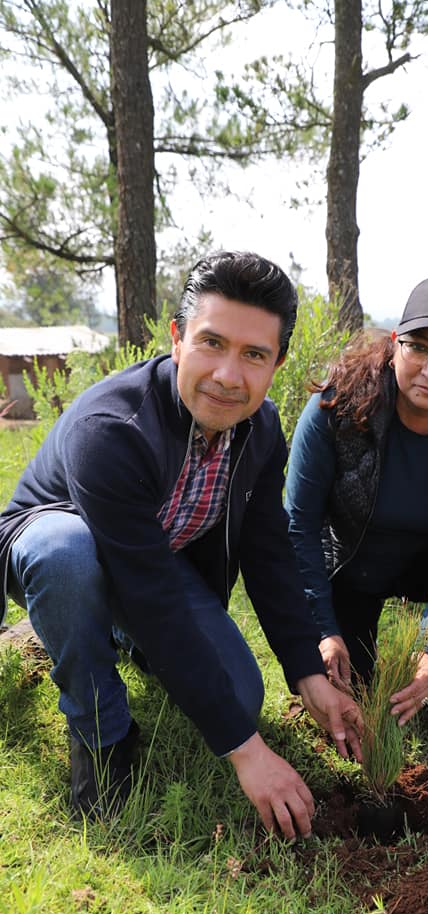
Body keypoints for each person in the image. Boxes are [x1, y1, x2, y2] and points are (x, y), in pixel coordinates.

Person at [0, 250, 363, 838]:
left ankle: (117, 637)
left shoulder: (262, 428)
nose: (227, 375)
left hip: (151, 561)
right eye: (212, 343)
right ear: (177, 337)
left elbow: (268, 554)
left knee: (240, 699)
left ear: (278, 363)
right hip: (51, 541)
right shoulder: (112, 428)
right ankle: (102, 734)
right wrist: (248, 756)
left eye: (253, 355)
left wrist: (308, 676)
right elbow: (151, 594)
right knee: (67, 555)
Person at [285, 274, 428, 751]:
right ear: (395, 344)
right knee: (355, 692)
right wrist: (324, 630)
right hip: (353, 561)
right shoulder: (336, 407)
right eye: (419, 347)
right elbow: (298, 525)